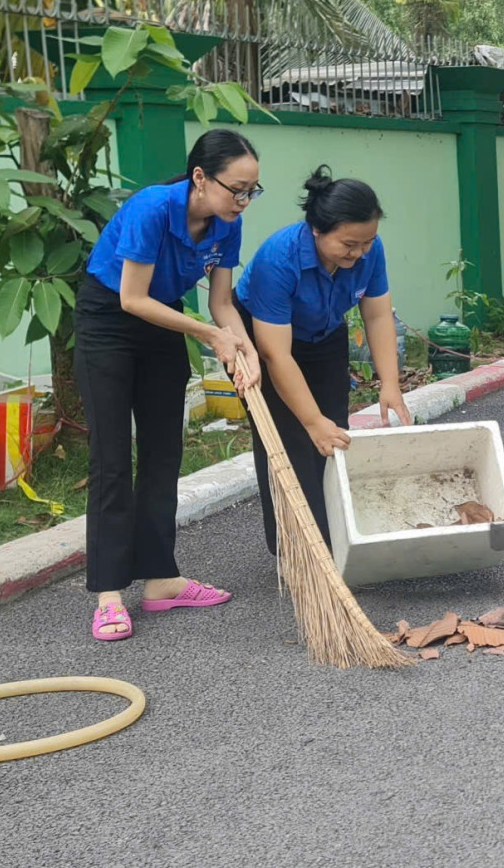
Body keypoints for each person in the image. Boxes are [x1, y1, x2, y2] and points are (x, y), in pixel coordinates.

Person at [76, 128, 263, 641]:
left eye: (252, 191)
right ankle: (110, 594)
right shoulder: (153, 208)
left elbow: (222, 304)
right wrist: (211, 337)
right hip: (109, 320)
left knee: (164, 454)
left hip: (165, 324)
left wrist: (243, 347)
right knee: (112, 459)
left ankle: (161, 580)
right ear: (200, 177)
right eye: (237, 189)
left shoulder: (226, 225)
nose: (244, 201)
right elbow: (132, 299)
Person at [234, 166, 412, 554]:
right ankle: (298, 551)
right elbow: (274, 353)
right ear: (317, 229)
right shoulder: (278, 260)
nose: (360, 252)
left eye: (368, 242)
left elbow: (378, 314)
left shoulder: (368, 250)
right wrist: (311, 421)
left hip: (325, 333)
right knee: (289, 440)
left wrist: (390, 384)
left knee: (334, 435)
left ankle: (336, 540)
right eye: (349, 244)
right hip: (264, 337)